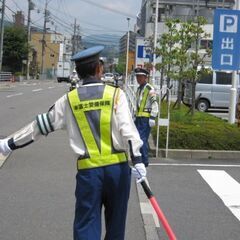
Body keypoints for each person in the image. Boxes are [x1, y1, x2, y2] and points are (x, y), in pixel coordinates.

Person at [0, 46, 147, 240]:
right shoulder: (115, 95)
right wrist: (137, 159)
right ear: (98, 70)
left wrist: (9, 143)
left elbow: (39, 126)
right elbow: (128, 130)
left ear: (78, 73)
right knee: (116, 227)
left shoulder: (68, 100)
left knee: (86, 226)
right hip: (117, 171)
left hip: (89, 173)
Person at [134, 67, 159, 167]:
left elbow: (155, 104)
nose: (138, 79)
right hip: (138, 118)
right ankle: (140, 158)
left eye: (140, 77)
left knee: (141, 139)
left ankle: (144, 160)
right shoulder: (139, 89)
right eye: (137, 77)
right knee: (137, 139)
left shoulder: (149, 88)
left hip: (145, 119)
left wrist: (153, 117)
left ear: (145, 78)